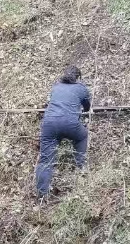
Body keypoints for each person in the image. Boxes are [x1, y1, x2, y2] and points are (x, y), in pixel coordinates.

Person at [34, 65, 92, 199]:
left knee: (45, 160)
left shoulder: (56, 87)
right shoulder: (81, 88)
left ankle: (42, 195)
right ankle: (81, 167)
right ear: (78, 78)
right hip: (70, 123)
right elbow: (87, 107)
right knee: (82, 136)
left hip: (49, 124)